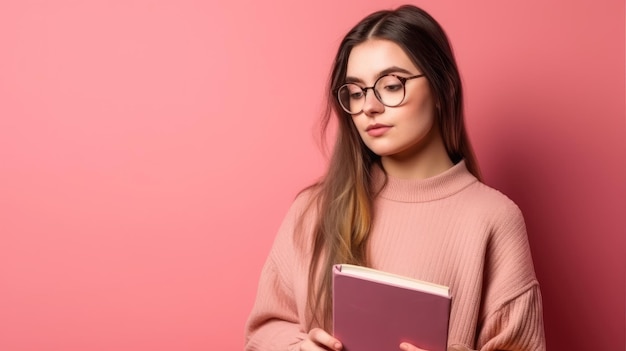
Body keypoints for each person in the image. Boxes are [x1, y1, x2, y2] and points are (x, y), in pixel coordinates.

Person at [244, 4, 545, 351]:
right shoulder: (314, 208)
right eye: (356, 92)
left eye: (390, 85)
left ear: (441, 87)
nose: (369, 107)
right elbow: (263, 331)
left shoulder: (493, 218)